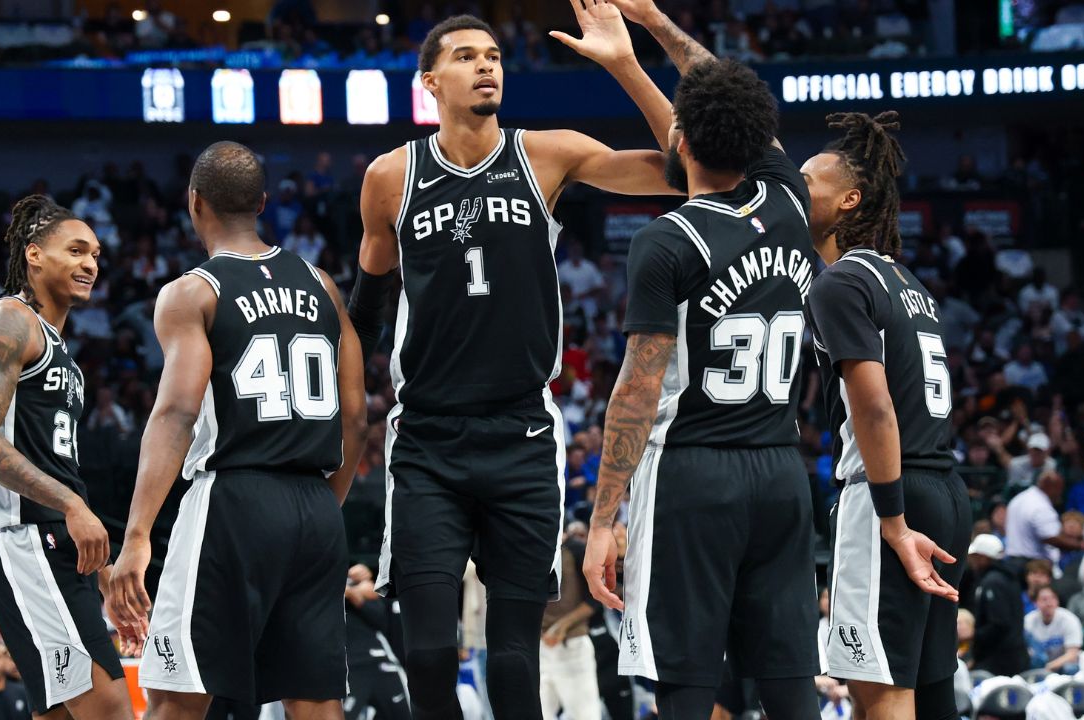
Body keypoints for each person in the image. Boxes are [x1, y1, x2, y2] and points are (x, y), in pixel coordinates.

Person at [347, 7, 678, 719]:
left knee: (514, 658)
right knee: (430, 651)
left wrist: (625, 65)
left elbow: (685, 169)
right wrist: (342, 420)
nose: (487, 65)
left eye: (494, 55)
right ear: (431, 81)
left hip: (523, 434)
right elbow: (366, 311)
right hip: (428, 437)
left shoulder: (547, 154)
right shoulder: (389, 175)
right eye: (467, 56)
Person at [575, 6, 819, 717]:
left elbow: (635, 391)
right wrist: (653, 23)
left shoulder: (667, 241)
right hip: (781, 470)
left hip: (694, 474)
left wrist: (601, 520)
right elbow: (717, 90)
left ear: (679, 139)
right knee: (787, 685)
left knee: (686, 682)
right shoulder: (791, 202)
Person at [106, 141, 367, 720]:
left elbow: (175, 413)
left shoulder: (193, 292)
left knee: (178, 696)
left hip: (233, 501)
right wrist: (327, 504)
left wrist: (138, 535)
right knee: (317, 702)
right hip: (315, 508)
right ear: (263, 203)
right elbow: (356, 417)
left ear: (194, 203)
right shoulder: (322, 284)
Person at [801, 110, 971, 720]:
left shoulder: (841, 281)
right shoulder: (905, 280)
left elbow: (873, 407)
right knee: (931, 691)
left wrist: (892, 519)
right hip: (946, 488)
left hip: (887, 497)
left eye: (807, 183)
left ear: (848, 201)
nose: (794, 191)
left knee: (881, 695)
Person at [0, 194, 133, 720]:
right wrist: (74, 509)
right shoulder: (10, 322)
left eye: (96, 255)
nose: (90, 264)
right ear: (34, 255)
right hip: (25, 540)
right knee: (110, 708)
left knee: (61, 714)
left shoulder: (62, 351)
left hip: (54, 545)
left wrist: (100, 567)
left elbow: (56, 467)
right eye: (76, 251)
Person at [540, 538, 599, 720]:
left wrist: (562, 626)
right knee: (539, 712)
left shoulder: (575, 549)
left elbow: (595, 598)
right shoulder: (526, 545)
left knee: (584, 715)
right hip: (538, 647)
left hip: (572, 643)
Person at [343, 565, 410, 720]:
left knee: (403, 714)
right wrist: (352, 592)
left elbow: (381, 620)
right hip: (349, 667)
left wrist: (356, 595)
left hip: (380, 661)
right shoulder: (320, 584)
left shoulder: (357, 581)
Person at [966, 534, 1029, 677]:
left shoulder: (993, 582)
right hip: (1012, 655)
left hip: (999, 661)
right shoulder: (1008, 578)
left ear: (984, 557)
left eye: (975, 556)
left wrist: (974, 636)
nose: (972, 560)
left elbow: (999, 624)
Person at [1007, 470, 1084, 564]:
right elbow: (1052, 539)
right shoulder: (1041, 506)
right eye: (1059, 489)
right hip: (1030, 562)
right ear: (1051, 487)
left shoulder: (1019, 499)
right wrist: (1082, 546)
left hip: (1012, 559)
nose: (1060, 493)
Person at [1023, 587, 1081, 674]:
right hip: (1038, 665)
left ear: (1057, 601)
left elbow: (1072, 654)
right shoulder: (1028, 620)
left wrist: (1049, 667)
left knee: (1070, 667)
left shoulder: (1069, 619)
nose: (1049, 603)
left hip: (1062, 666)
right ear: (1035, 603)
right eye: (1044, 599)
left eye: (1053, 598)